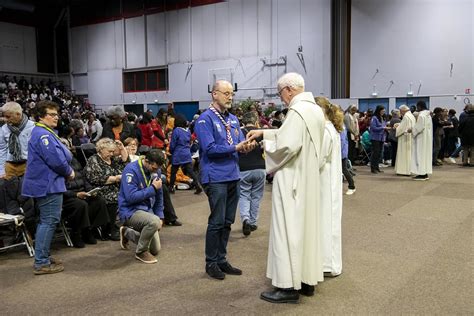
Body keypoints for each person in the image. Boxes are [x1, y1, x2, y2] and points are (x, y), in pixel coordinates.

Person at [247, 72, 325, 304]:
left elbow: (287, 146)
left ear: (289, 89)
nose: (282, 99)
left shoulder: (297, 111)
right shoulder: (314, 110)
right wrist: (266, 132)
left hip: (293, 180)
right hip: (308, 179)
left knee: (287, 231)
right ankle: (306, 281)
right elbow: (293, 134)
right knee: (306, 231)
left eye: (281, 93)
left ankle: (287, 287)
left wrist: (266, 143)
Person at [194, 80, 252, 280]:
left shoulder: (234, 119)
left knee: (227, 221)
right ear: (214, 94)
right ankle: (211, 262)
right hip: (215, 177)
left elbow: (237, 144)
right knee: (217, 222)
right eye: (226, 93)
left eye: (232, 94)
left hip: (233, 175)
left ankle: (221, 259)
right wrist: (236, 147)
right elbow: (209, 149)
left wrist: (245, 147)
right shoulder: (204, 120)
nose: (230, 97)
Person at [22, 100, 75, 275]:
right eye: (52, 114)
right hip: (48, 185)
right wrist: (69, 172)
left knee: (45, 221)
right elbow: (55, 160)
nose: (56, 117)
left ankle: (42, 255)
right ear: (40, 116)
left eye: (56, 114)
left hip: (47, 184)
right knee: (49, 221)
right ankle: (41, 262)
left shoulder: (44, 132)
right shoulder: (43, 134)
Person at [118, 149, 165, 264]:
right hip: (130, 210)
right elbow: (131, 197)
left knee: (155, 249)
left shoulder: (156, 170)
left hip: (147, 210)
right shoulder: (131, 170)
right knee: (153, 222)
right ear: (146, 161)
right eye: (154, 168)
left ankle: (126, 232)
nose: (157, 171)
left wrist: (160, 216)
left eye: (158, 168)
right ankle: (141, 252)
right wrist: (152, 188)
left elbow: (159, 196)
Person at [315, 96, 344, 277]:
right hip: (329, 179)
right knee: (328, 220)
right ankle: (329, 262)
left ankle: (328, 263)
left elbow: (319, 158)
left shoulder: (325, 130)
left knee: (326, 220)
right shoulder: (331, 128)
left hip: (325, 180)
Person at [85, 138, 129, 240]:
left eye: (113, 151)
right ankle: (110, 229)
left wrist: (122, 148)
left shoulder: (112, 159)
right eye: (109, 151)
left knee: (131, 194)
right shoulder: (94, 160)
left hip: (116, 187)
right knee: (114, 197)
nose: (111, 153)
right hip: (101, 188)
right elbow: (96, 179)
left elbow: (125, 161)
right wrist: (116, 178)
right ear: (101, 149)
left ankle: (121, 226)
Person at [238, 111, 266, 236]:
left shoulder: (238, 133)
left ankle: (246, 219)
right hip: (260, 167)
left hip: (243, 168)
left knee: (244, 195)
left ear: (243, 122)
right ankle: (253, 222)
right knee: (256, 196)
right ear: (256, 121)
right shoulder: (261, 133)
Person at [169, 114, 203, 195]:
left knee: (173, 171)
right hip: (187, 153)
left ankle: (171, 188)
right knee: (191, 171)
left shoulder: (176, 130)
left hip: (178, 153)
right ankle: (198, 186)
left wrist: (171, 151)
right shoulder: (188, 130)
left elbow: (173, 144)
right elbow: (190, 141)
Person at [0, 102, 35, 179]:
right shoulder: (4, 129)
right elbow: (2, 150)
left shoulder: (33, 127)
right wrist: (1, 171)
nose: (5, 120)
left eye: (8, 117)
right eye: (4, 116)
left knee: (26, 190)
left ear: (18, 114)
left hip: (28, 165)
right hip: (9, 166)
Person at [410, 100, 433, 180]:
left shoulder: (421, 116)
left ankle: (421, 174)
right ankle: (425, 173)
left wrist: (412, 130)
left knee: (419, 155)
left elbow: (419, 127)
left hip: (421, 139)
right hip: (427, 139)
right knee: (425, 156)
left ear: (419, 106)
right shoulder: (428, 115)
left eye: (417, 107)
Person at [395, 105, 416, 175]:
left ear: (403, 110)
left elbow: (402, 128)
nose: (400, 113)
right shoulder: (411, 116)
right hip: (410, 137)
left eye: (400, 111)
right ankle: (409, 170)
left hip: (404, 138)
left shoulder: (406, 117)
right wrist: (399, 124)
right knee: (409, 154)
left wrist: (397, 127)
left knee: (404, 154)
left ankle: (403, 171)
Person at [369, 105, 389, 174]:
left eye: (384, 111)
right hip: (375, 138)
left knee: (379, 153)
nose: (383, 112)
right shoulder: (374, 118)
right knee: (375, 153)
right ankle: (373, 168)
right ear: (379, 111)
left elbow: (383, 125)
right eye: (382, 111)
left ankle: (377, 167)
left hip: (381, 138)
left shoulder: (383, 118)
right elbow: (373, 127)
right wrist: (383, 128)